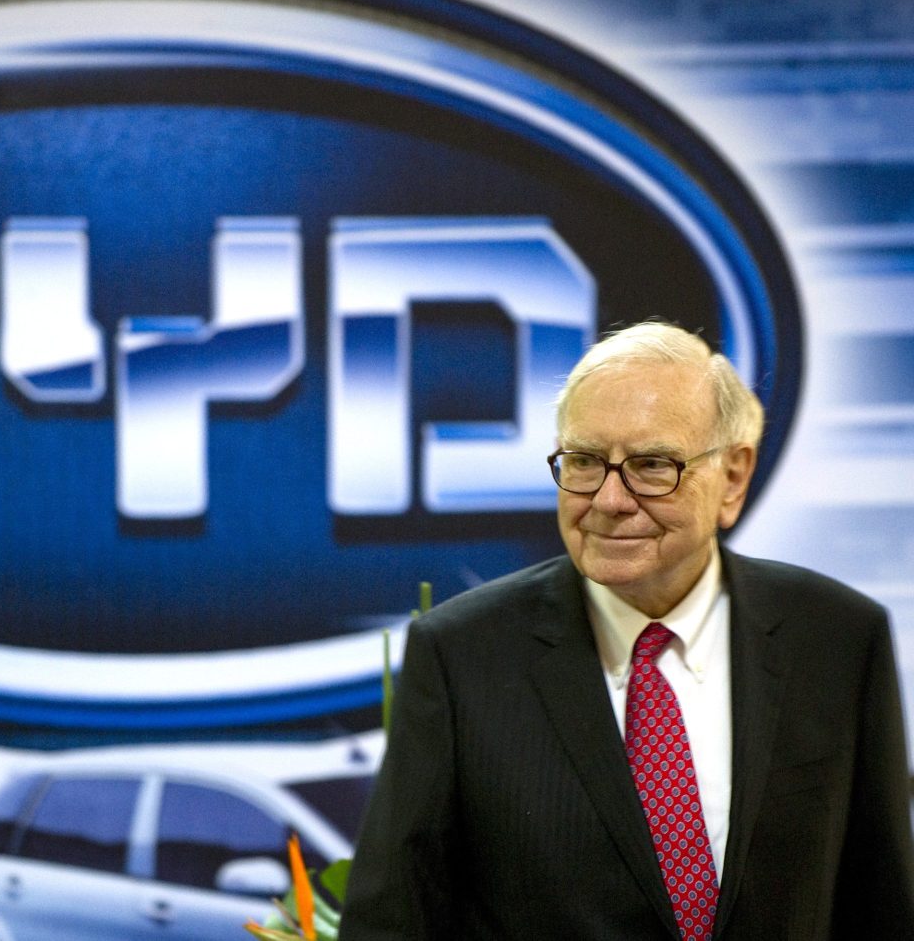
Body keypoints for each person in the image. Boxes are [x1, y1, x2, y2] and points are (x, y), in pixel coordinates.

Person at [340, 322, 914, 940]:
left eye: (652, 465)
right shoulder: (461, 655)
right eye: (585, 461)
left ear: (734, 477)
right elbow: (391, 923)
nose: (610, 500)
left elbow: (880, 906)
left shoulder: (837, 639)